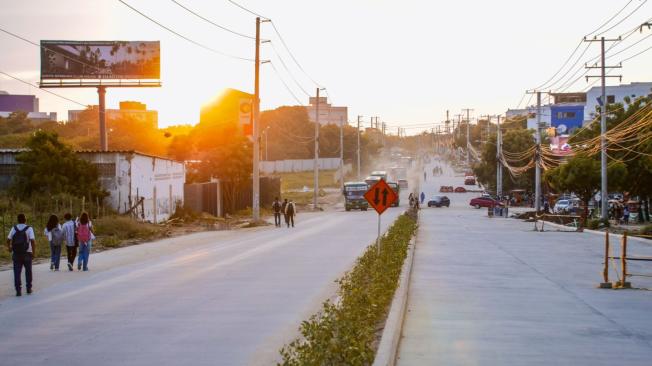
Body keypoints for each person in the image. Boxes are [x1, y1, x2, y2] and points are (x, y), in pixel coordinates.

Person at [6, 213, 36, 296]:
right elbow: (33, 241)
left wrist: (9, 248)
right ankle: (29, 288)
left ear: (17, 220)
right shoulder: (29, 228)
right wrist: (33, 253)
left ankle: (18, 290)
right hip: (27, 253)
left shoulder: (14, 228)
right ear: (25, 220)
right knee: (28, 271)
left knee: (17, 272)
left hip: (16, 253)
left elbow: (8, 240)